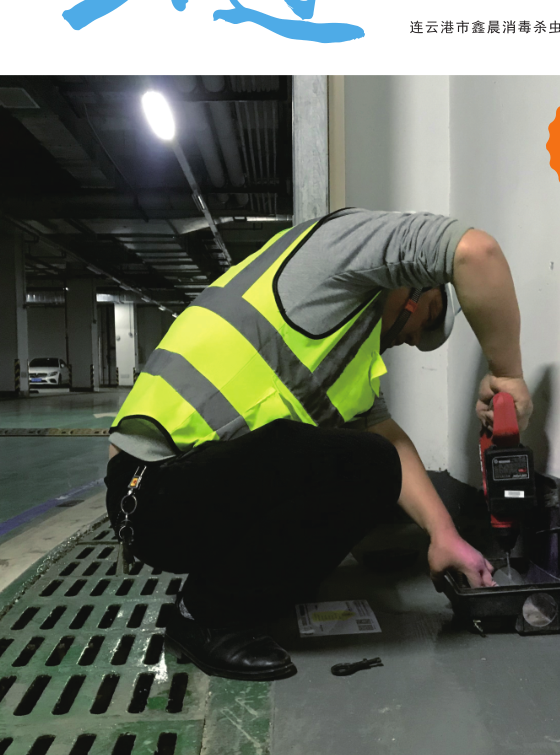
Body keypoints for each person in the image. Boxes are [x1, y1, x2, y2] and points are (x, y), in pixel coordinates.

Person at [105, 208, 532, 681]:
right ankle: (205, 615)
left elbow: (389, 438)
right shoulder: (338, 248)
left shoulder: (349, 352)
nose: (414, 338)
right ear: (410, 283)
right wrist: (508, 376)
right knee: (365, 465)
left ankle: (243, 587)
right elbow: (475, 252)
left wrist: (443, 534)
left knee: (372, 466)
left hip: (186, 495)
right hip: (150, 490)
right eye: (428, 316)